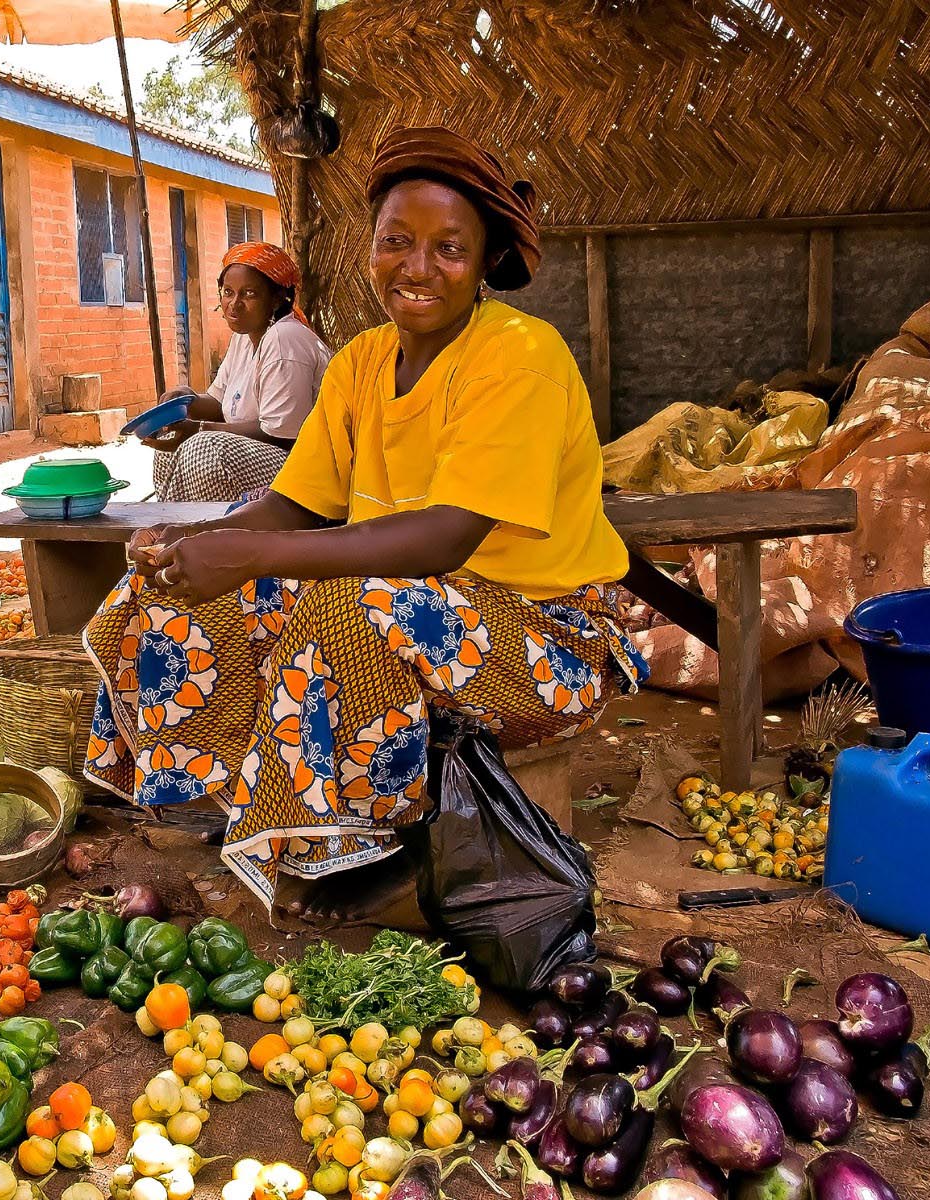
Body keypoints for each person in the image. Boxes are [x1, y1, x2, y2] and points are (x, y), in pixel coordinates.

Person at [83, 126, 648, 924]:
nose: (418, 268)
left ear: (486, 262)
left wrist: (253, 553)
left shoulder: (520, 356)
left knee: (351, 606)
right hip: (436, 611)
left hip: (548, 641)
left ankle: (366, 850)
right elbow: (298, 503)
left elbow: (442, 539)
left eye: (449, 247)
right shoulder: (360, 362)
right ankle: (236, 800)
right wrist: (196, 545)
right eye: (397, 241)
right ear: (369, 247)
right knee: (170, 592)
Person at [144, 242, 332, 503]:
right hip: (268, 458)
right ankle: (181, 531)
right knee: (172, 442)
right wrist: (185, 400)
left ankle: (213, 536)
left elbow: (280, 435)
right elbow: (220, 403)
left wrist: (199, 430)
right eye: (228, 292)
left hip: (304, 469)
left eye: (249, 294)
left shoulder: (285, 338)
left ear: (277, 298)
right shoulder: (245, 338)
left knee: (205, 448)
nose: (234, 304)